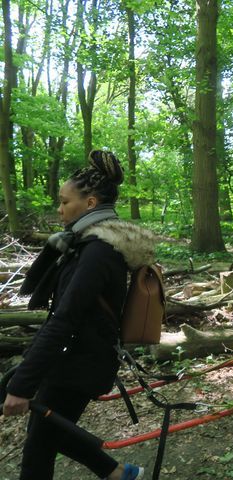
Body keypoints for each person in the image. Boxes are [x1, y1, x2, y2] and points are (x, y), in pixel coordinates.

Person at [2, 150, 155, 479]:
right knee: (49, 433)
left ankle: (119, 473)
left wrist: (23, 384)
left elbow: (65, 319)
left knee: (38, 449)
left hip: (81, 363)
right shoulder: (85, 244)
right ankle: (119, 474)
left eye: (64, 201)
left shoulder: (97, 252)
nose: (59, 210)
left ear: (90, 203)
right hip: (77, 356)